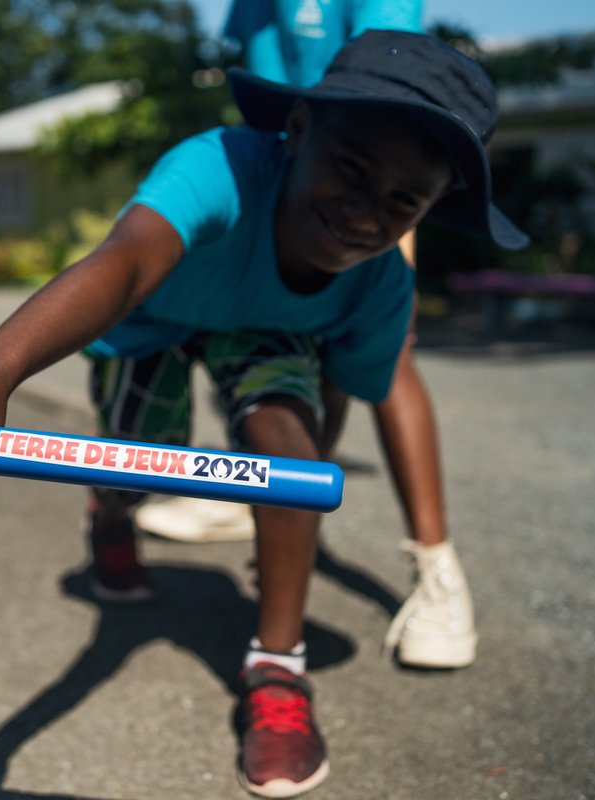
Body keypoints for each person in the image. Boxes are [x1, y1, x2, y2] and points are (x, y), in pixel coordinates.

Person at [0, 30, 526, 798]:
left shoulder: (379, 286)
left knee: (287, 447)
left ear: (428, 208)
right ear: (295, 130)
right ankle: (111, 515)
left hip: (265, 334)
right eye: (352, 172)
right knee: (136, 453)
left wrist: (290, 511)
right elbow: (122, 264)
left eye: (401, 202)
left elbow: (333, 400)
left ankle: (278, 669)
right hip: (154, 313)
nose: (365, 214)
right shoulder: (216, 166)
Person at [134, 0, 477, 675]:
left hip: (373, 184)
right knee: (264, 370)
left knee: (381, 355)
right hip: (296, 182)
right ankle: (266, 501)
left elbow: (400, 97)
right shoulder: (252, 9)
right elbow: (271, 94)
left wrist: (380, 249)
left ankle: (437, 570)